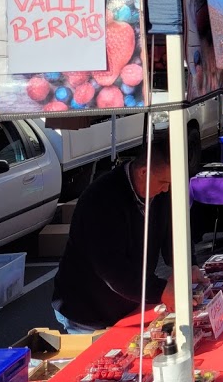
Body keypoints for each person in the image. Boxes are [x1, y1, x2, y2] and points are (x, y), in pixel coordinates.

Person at [51, 136, 197, 332]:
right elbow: (113, 270)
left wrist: (190, 265)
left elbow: (175, 235)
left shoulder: (161, 191)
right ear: (143, 172)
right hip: (87, 309)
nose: (166, 188)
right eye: (164, 182)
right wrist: (161, 290)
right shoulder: (101, 199)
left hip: (130, 302)